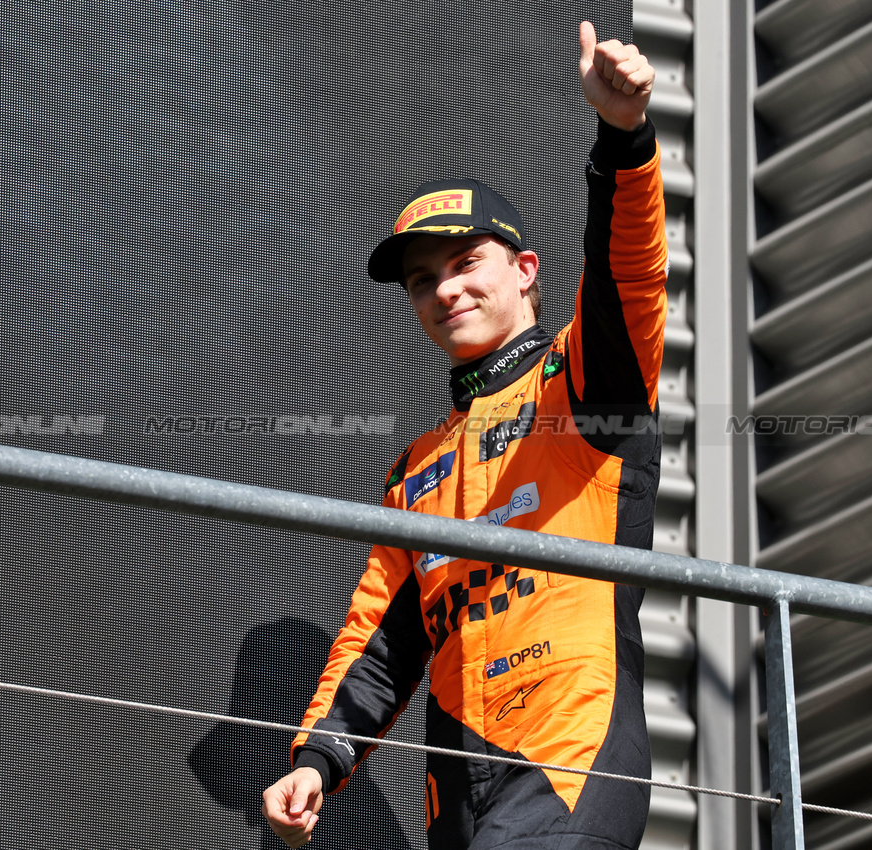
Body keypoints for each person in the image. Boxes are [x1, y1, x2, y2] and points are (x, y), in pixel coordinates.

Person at [262, 20, 667, 850]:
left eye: (463, 263)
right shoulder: (414, 467)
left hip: (568, 745)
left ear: (523, 271)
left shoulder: (583, 381)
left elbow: (628, 275)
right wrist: (320, 756)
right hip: (452, 782)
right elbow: (382, 639)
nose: (443, 291)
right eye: (421, 280)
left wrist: (622, 140)